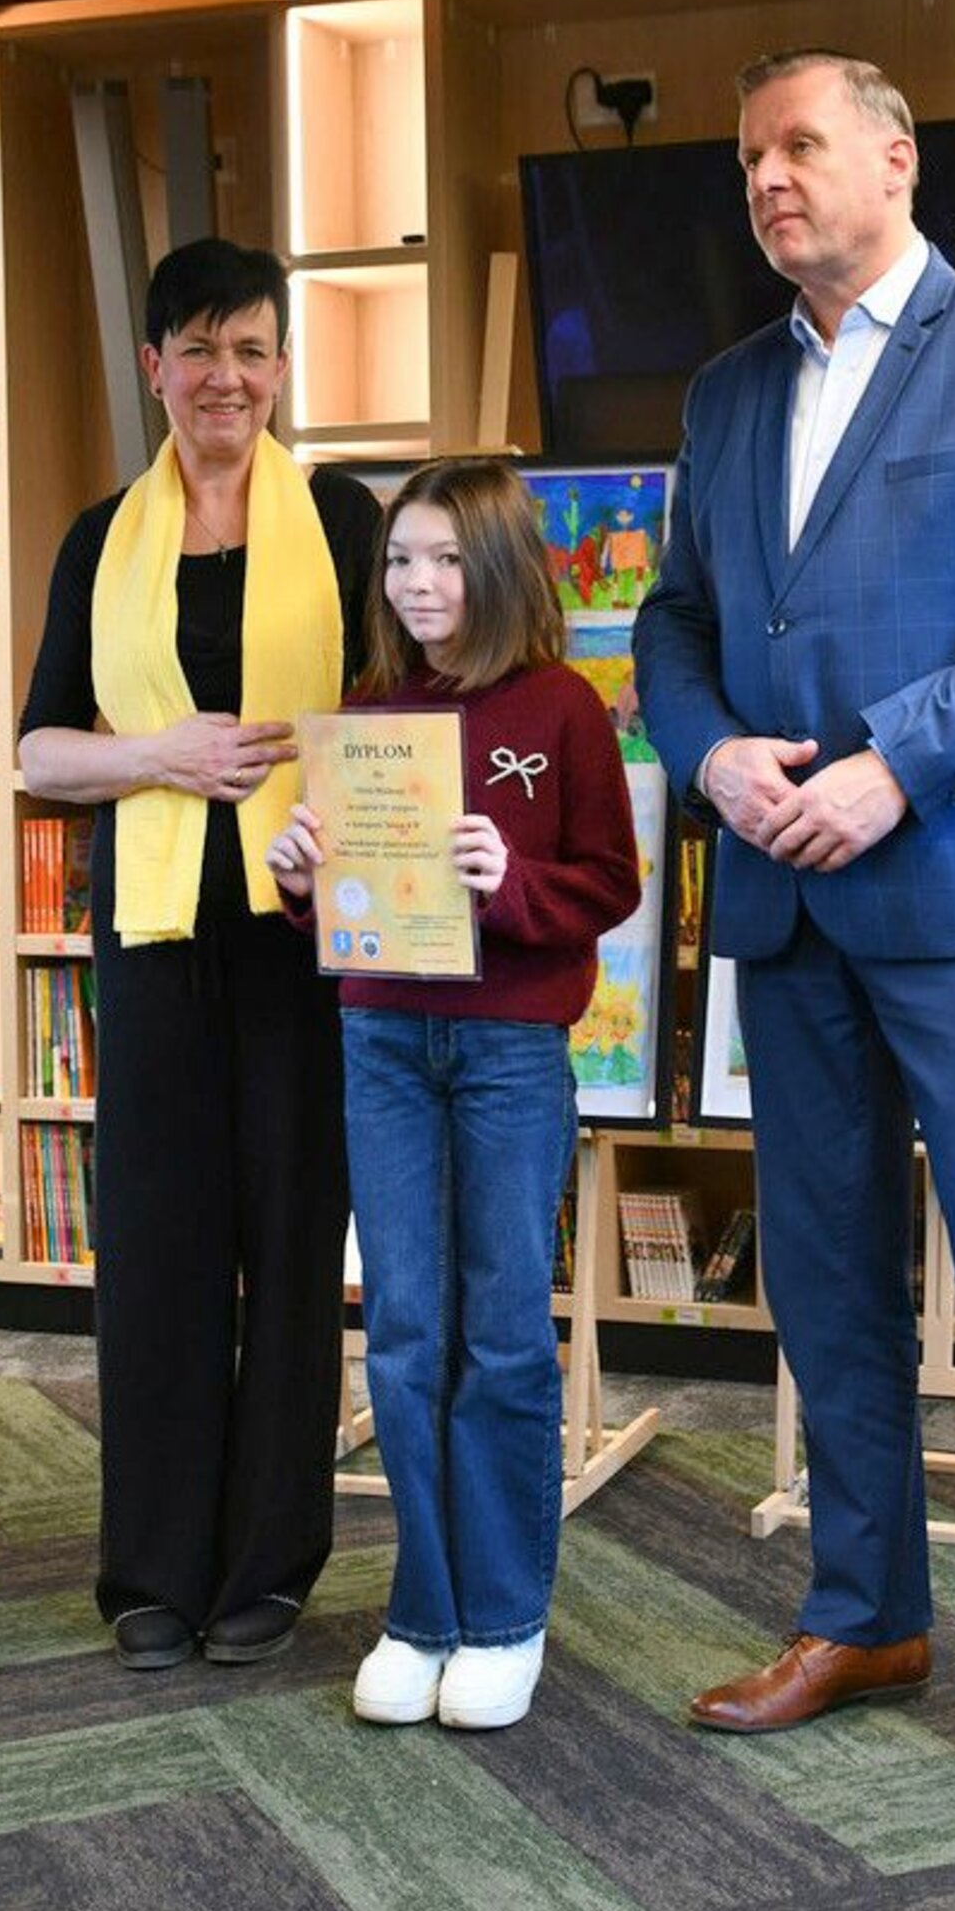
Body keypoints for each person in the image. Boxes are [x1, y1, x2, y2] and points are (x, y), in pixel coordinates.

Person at [632, 50, 955, 1829]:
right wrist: (707, 751)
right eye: (746, 157)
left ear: (897, 158)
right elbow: (675, 624)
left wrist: (893, 766)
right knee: (826, 1283)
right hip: (787, 904)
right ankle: (870, 1613)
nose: (767, 178)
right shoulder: (723, 391)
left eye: (799, 145)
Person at [18, 237, 381, 1672]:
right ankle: (153, 1568)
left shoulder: (343, 518)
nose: (225, 376)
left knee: (292, 1240)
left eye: (251, 349)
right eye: (198, 349)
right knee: (160, 1249)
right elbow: (41, 752)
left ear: (282, 366)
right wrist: (157, 755)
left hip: (305, 934)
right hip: (157, 937)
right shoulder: (99, 537)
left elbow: (394, 712)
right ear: (153, 366)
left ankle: (268, 1564)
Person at [267, 458, 639, 1730]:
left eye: (443, 559)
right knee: (405, 1332)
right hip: (380, 1040)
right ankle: (421, 1611)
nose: (416, 584)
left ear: (500, 567)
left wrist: (509, 881)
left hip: (506, 1051)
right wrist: (302, 878)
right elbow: (341, 904)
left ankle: (504, 1614)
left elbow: (610, 882)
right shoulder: (365, 714)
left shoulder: (563, 708)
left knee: (502, 1335)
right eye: (398, 560)